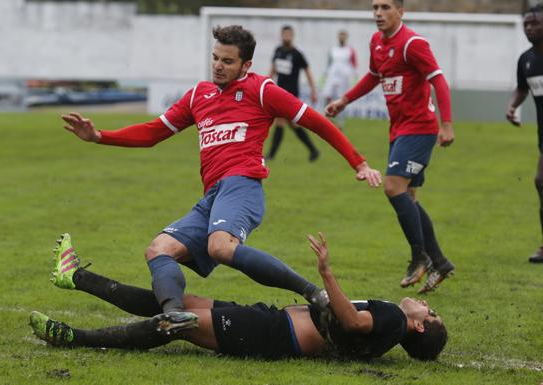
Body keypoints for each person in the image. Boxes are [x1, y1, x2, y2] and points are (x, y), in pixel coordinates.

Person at [61, 25, 382, 321]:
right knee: (158, 250)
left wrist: (360, 163)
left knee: (220, 247)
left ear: (246, 65)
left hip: (242, 186)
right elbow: (152, 133)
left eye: (227, 61)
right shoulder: (199, 94)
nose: (217, 65)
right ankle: (174, 316)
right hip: (213, 196)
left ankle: (313, 292)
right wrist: (100, 136)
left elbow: (318, 122)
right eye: (215, 58)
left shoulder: (262, 90)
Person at [30, 232, 448, 361]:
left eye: (430, 313)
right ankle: (75, 277)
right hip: (269, 321)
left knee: (175, 323)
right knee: (177, 304)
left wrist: (326, 275)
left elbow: (354, 322)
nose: (427, 305)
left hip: (269, 334)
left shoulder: (393, 321)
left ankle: (74, 338)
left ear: (418, 325)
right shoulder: (392, 327)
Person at [325, 0, 456, 293]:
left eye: (385, 7)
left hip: (420, 128)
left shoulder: (413, 44)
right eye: (375, 8)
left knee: (393, 187)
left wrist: (446, 124)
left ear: (401, 12)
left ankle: (419, 257)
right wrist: (345, 100)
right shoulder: (377, 42)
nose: (378, 14)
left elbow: (439, 80)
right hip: (398, 130)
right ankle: (440, 262)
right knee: (408, 196)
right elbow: (374, 75)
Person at [506, 4, 543, 264]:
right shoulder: (526, 60)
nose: (529, 27)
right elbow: (522, 88)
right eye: (526, 24)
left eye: (535, 23)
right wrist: (512, 105)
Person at [266, 25, 321, 161]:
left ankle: (271, 156)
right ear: (281, 35)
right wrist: (266, 83)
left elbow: (307, 71)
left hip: (290, 94)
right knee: (292, 124)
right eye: (285, 34)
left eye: (289, 35)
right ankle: (313, 151)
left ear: (292, 36)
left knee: (280, 121)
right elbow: (273, 70)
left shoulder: (297, 54)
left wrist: (313, 90)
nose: (287, 37)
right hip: (279, 92)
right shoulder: (278, 51)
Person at [322, 30, 358, 129]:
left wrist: (354, 78)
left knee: (341, 100)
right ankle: (327, 119)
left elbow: (354, 66)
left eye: (344, 36)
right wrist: (325, 75)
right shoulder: (333, 50)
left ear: (346, 37)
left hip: (344, 78)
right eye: (340, 36)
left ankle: (340, 123)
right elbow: (328, 64)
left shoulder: (350, 50)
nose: (342, 38)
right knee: (327, 96)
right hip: (332, 77)